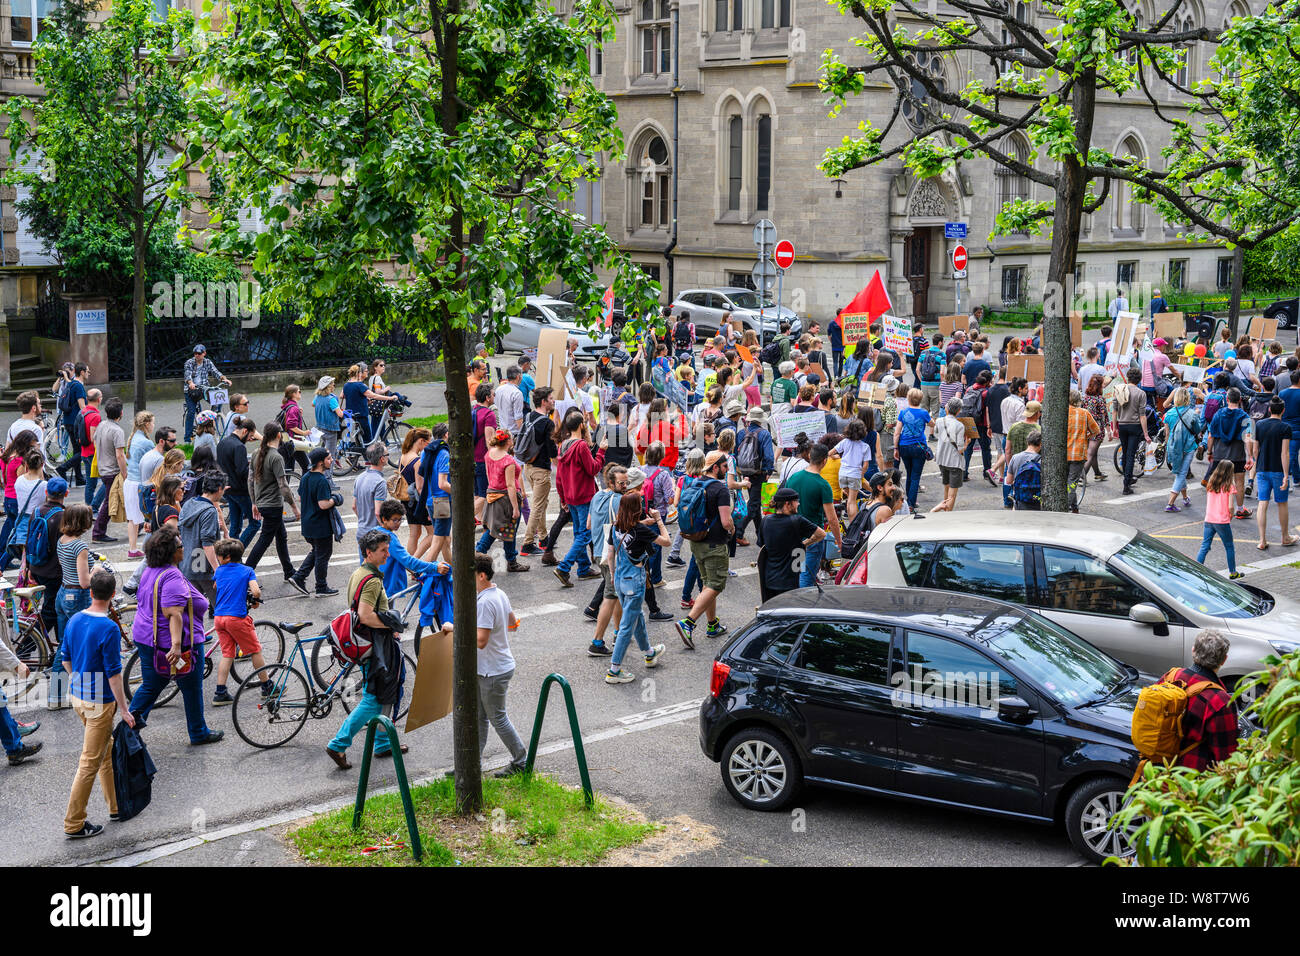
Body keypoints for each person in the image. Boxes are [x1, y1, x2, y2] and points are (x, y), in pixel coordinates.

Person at [129, 526, 224, 744]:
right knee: (189, 687)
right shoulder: (171, 575)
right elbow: (174, 614)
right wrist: (176, 645)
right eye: (181, 546)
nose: (184, 548)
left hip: (147, 637)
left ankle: (129, 727)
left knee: (153, 686)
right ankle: (197, 731)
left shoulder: (150, 570)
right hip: (174, 644)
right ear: (172, 552)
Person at [59, 570, 135, 838]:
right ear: (113, 595)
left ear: (90, 592)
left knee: (105, 752)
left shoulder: (75, 619)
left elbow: (65, 658)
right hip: (100, 703)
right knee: (90, 762)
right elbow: (114, 674)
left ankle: (116, 806)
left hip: (78, 697)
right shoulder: (109, 628)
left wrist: (76, 681)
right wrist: (124, 709)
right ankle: (74, 822)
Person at [324, 530, 408, 769]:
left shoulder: (359, 573)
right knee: (373, 699)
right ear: (369, 552)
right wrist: (391, 625)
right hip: (377, 646)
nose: (387, 554)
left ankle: (382, 743)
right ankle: (338, 744)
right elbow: (365, 616)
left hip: (367, 645)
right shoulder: (371, 581)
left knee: (383, 696)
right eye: (383, 550)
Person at [469, 552, 530, 775]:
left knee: (497, 717)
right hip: (495, 666)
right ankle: (472, 763)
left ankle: (521, 761)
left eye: (471, 575)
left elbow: (481, 641)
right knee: (480, 717)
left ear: (482, 575)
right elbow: (514, 624)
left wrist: (455, 629)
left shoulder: (485, 601)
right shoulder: (499, 593)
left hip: (492, 670)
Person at [604, 492, 670, 683]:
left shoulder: (615, 526)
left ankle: (649, 653)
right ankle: (614, 670)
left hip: (619, 579)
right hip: (635, 580)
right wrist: (658, 521)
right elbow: (666, 541)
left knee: (636, 615)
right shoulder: (640, 531)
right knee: (626, 626)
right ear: (636, 509)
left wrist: (613, 575)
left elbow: (610, 554)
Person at [675, 450, 734, 649]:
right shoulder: (721, 489)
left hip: (696, 541)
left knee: (707, 585)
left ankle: (712, 625)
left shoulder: (694, 482)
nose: (727, 470)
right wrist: (732, 529)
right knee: (716, 585)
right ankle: (688, 622)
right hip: (714, 544)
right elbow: (726, 522)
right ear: (715, 467)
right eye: (725, 466)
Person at [210, 538, 272, 706]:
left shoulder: (220, 571)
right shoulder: (247, 570)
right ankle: (267, 687)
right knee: (255, 651)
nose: (217, 559)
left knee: (227, 654)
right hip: (236, 617)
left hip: (219, 618)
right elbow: (256, 591)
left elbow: (216, 587)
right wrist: (253, 598)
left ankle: (220, 692)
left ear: (227, 557)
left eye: (219, 556)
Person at [244, 422, 304, 590]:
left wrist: (254, 502)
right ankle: (246, 575)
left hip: (263, 503)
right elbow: (283, 485)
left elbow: (250, 480)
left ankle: (289, 570)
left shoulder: (256, 453)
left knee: (281, 536)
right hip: (273, 505)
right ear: (279, 435)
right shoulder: (276, 457)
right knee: (264, 540)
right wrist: (293, 506)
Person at [552, 410, 605, 586]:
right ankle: (565, 567)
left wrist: (562, 497)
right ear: (582, 425)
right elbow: (593, 469)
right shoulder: (581, 446)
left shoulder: (563, 445)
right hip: (583, 495)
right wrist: (601, 452)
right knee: (585, 533)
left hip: (570, 495)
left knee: (578, 533)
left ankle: (583, 568)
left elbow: (559, 476)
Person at [785, 444, 840, 586]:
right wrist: (839, 541)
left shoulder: (794, 478)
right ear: (824, 461)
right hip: (814, 538)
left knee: (797, 572)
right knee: (807, 577)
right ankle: (802, 605)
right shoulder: (823, 485)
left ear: (810, 456)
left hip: (794, 535)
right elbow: (832, 518)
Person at [477, 429, 529, 572]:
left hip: (492, 495)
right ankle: (478, 552)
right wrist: (516, 508)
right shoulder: (508, 460)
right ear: (508, 441)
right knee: (500, 530)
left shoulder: (489, 454)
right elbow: (510, 485)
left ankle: (511, 560)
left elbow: (489, 476)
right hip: (505, 499)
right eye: (511, 439)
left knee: (500, 529)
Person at [761, 487, 826, 598]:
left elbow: (763, 547)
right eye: (796, 501)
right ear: (788, 504)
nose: (798, 504)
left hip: (770, 580)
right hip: (790, 582)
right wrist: (804, 544)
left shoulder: (765, 520)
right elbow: (821, 534)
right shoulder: (797, 521)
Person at [25, 477, 68, 646]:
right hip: (54, 572)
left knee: (57, 609)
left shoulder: (36, 512)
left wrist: (29, 567)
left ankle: (60, 644)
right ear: (66, 493)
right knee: (51, 610)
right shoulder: (63, 516)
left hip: (37, 567)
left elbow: (28, 542)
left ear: (46, 493)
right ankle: (26, 646)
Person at [179, 469, 227, 612]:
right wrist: (217, 570)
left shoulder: (188, 504)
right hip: (202, 567)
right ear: (219, 489)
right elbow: (207, 544)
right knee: (222, 609)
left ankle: (197, 635)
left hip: (187, 564)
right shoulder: (209, 511)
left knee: (193, 613)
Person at [518, 386, 558, 558]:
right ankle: (527, 543)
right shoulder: (547, 423)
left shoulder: (528, 416)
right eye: (551, 398)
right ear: (544, 402)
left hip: (528, 467)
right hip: (541, 469)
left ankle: (543, 538)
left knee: (541, 503)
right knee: (538, 506)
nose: (553, 401)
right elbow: (552, 452)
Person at [1254, 398, 1296, 548]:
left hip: (1262, 468)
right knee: (1282, 503)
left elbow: (1255, 449)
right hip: (1278, 470)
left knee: (1262, 502)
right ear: (1283, 411)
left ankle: (1262, 540)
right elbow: (1285, 454)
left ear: (1269, 409)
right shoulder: (1286, 428)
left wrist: (1256, 464)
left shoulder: (1259, 425)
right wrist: (1286, 475)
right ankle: (1285, 537)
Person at [217, 416, 262, 547]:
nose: (250, 439)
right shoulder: (239, 447)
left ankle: (230, 550)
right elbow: (243, 471)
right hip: (241, 491)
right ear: (244, 431)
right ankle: (235, 551)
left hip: (227, 489)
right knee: (255, 523)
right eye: (250, 436)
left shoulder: (222, 443)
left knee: (235, 524)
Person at [735, 407, 773, 546]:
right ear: (761, 420)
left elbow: (736, 451)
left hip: (745, 471)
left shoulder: (741, 433)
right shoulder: (764, 434)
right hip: (758, 473)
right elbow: (768, 455)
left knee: (754, 503)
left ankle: (760, 535)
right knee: (753, 505)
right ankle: (738, 532)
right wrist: (768, 471)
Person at [90, 397, 127, 543]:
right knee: (110, 501)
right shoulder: (117, 431)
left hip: (103, 468)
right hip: (113, 471)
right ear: (121, 413)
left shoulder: (101, 425)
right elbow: (120, 455)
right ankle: (98, 532)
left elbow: (94, 441)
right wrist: (124, 473)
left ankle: (138, 523)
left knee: (112, 499)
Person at [1196, 460, 1241, 577]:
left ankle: (1196, 569)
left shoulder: (1211, 483)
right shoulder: (1229, 486)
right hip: (1222, 521)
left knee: (1205, 545)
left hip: (1209, 519)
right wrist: (1231, 515)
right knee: (1229, 546)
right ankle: (1233, 572)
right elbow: (1231, 506)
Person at [0, 431, 38, 572]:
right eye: (33, 445)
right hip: (17, 500)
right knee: (19, 536)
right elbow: (23, 481)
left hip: (8, 498)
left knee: (10, 530)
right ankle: (3, 562)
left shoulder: (8, 457)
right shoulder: (20, 461)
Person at [121, 411, 155, 559]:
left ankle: (133, 548)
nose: (154, 425)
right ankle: (151, 547)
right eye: (153, 422)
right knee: (149, 517)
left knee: (133, 519)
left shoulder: (133, 437)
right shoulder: (147, 443)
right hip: (139, 484)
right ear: (147, 424)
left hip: (129, 482)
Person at [1163, 387, 1203, 513]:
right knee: (1182, 474)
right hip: (1188, 447)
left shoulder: (1168, 414)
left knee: (1181, 472)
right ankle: (1170, 503)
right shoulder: (1192, 413)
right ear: (1187, 399)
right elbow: (1197, 430)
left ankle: (1185, 498)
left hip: (1174, 447)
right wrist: (1196, 415)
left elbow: (1167, 433)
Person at [1111, 367, 1150, 495]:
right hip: (1134, 426)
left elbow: (1115, 410)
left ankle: (1128, 478)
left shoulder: (1119, 389)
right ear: (1139, 379)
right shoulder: (1141, 393)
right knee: (1130, 455)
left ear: (1128, 378)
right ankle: (1126, 484)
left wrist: (1115, 427)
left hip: (1122, 425)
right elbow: (1142, 415)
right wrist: (1146, 433)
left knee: (1125, 452)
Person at [419, 423, 453, 566]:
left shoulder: (425, 452)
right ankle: (421, 570)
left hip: (430, 500)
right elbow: (442, 483)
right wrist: (461, 493)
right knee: (438, 540)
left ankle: (454, 568)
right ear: (446, 435)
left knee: (445, 538)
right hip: (443, 502)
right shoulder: (444, 454)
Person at [893, 388, 931, 511]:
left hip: (904, 445)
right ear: (920, 399)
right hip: (919, 446)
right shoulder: (924, 413)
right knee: (915, 476)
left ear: (908, 399)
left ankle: (907, 500)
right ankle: (911, 503)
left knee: (909, 473)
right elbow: (932, 424)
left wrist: (895, 448)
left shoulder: (903, 413)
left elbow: (897, 433)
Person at [182, 344, 229, 442]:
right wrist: (190, 383)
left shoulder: (208, 362)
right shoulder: (189, 363)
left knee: (218, 401)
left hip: (204, 389)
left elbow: (216, 372)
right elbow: (187, 375)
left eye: (199, 353)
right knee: (191, 412)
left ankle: (212, 422)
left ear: (204, 353)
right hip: (191, 391)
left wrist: (224, 379)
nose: (197, 355)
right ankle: (187, 439)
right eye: (195, 353)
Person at [1066, 388, 1101, 513]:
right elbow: (1096, 431)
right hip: (1078, 453)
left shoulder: (1062, 412)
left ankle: (1074, 507)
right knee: (1072, 483)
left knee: (1065, 481)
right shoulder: (1084, 413)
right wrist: (1084, 436)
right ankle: (1068, 508)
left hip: (1063, 453)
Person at [352, 441, 389, 561]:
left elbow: (354, 506)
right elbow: (378, 512)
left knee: (364, 570)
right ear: (382, 459)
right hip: (374, 535)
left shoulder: (359, 478)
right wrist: (386, 529)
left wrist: (364, 520)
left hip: (361, 531)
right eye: (387, 455)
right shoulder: (380, 482)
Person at [399, 427, 432, 556]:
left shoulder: (403, 457)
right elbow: (420, 487)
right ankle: (415, 562)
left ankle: (413, 565)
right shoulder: (417, 461)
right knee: (433, 534)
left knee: (414, 534)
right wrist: (427, 506)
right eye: (427, 443)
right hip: (418, 501)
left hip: (406, 500)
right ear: (421, 441)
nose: (428, 446)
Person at [55, 363, 90, 486]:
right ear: (82, 372)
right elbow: (82, 408)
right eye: (87, 371)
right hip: (76, 423)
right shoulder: (79, 386)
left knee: (77, 450)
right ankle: (63, 468)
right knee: (84, 450)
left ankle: (79, 478)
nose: (88, 374)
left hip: (68, 421)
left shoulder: (70, 383)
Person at [831, 419, 872, 521]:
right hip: (854, 474)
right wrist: (861, 475)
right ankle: (853, 525)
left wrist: (838, 457)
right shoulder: (865, 447)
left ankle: (851, 522)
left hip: (842, 473)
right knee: (852, 501)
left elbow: (830, 453)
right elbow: (866, 465)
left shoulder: (844, 442)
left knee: (849, 499)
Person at [342, 363, 393, 445]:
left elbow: (345, 396)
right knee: (368, 440)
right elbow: (374, 395)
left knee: (354, 439)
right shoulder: (360, 385)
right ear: (359, 373)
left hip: (350, 415)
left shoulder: (346, 385)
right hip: (361, 415)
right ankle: (367, 457)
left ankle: (351, 455)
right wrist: (390, 398)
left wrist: (364, 399)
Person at [932, 397, 967, 512]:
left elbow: (936, 432)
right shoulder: (960, 426)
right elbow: (960, 449)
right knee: (952, 494)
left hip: (941, 458)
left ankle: (944, 510)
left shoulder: (939, 421)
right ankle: (948, 515)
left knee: (946, 487)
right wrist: (968, 442)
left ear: (947, 408)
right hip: (954, 462)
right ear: (958, 411)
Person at [470, 381, 499, 523]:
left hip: (472, 458)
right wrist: (495, 459)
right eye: (494, 394)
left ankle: (482, 520)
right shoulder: (489, 414)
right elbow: (490, 440)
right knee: (484, 494)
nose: (495, 396)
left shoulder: (473, 410)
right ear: (488, 397)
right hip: (482, 459)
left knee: (477, 492)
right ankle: (465, 519)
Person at [76, 390, 103, 507]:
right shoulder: (95, 416)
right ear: (99, 399)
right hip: (93, 454)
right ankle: (94, 506)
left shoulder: (82, 412)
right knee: (107, 481)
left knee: (90, 484)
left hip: (84, 452)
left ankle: (88, 507)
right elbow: (93, 438)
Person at [278, 384, 311, 473]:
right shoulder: (293, 408)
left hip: (287, 440)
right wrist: (304, 433)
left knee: (289, 468)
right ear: (293, 394)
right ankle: (304, 486)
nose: (300, 393)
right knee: (307, 466)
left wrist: (299, 415)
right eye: (299, 391)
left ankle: (285, 486)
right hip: (294, 441)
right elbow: (291, 426)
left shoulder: (289, 406)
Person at [1008, 430, 1043, 511]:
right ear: (1040, 444)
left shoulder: (1015, 457)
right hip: (1036, 501)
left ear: (1027, 442)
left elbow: (1009, 480)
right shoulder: (1042, 460)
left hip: (1020, 500)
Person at [313, 376, 344, 458]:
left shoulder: (317, 397)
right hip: (331, 429)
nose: (334, 386)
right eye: (333, 385)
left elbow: (313, 404)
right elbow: (340, 414)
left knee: (324, 451)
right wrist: (344, 412)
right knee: (330, 456)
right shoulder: (331, 399)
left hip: (320, 428)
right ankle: (328, 471)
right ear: (328, 387)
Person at [496, 365, 526, 439]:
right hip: (512, 434)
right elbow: (518, 417)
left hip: (501, 431)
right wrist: (522, 436)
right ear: (518, 376)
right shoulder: (517, 393)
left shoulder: (499, 389)